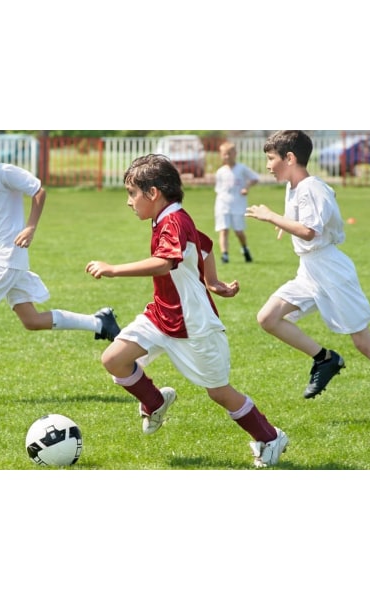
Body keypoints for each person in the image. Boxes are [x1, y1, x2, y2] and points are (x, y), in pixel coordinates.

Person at [86, 154, 288, 468]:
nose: (129, 201)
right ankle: (155, 402)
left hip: (193, 324)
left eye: (132, 193)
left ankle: (270, 437)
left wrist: (113, 269)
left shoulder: (174, 220)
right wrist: (213, 281)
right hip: (161, 314)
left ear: (153, 193)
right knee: (114, 359)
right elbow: (205, 246)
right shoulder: (170, 217)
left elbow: (166, 262)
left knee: (219, 392)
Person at [0, 130, 120, 401]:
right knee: (31, 321)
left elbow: (39, 190)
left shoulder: (2, 173)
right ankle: (100, 323)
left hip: (9, 257)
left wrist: (30, 226)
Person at [246, 130, 370, 399]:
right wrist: (285, 224)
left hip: (331, 270)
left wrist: (271, 217)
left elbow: (309, 231)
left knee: (364, 342)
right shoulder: (295, 186)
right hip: (309, 270)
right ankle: (325, 359)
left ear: (289, 158)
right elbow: (303, 221)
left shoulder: (311, 187)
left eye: (270, 158)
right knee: (268, 318)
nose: (267, 165)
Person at [214, 141, 260, 264]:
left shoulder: (242, 169)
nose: (227, 156)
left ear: (235, 154)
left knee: (238, 231)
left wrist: (247, 187)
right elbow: (219, 189)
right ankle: (225, 255)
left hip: (238, 204)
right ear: (221, 155)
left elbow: (255, 178)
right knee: (223, 230)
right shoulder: (220, 172)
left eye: (229, 153)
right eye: (224, 154)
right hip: (222, 204)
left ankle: (245, 248)